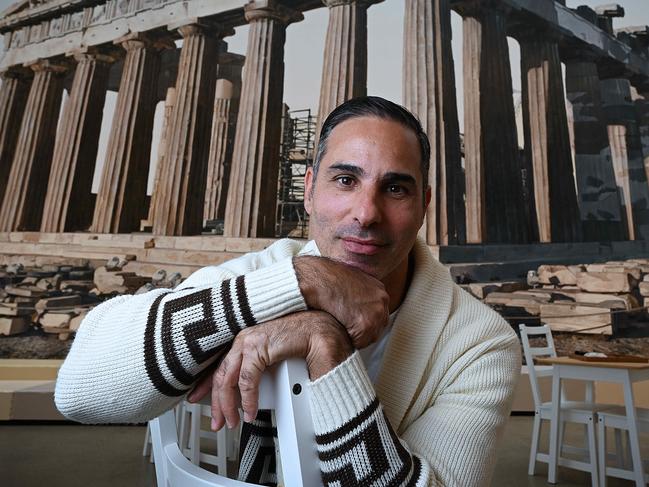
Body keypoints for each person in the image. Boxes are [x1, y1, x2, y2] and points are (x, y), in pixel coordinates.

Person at [55, 96, 521, 486]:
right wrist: (299, 283)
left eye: (395, 188)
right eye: (345, 180)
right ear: (309, 190)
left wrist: (329, 349)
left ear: (424, 206)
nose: (366, 213)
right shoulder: (268, 272)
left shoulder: (481, 342)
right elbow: (77, 390)